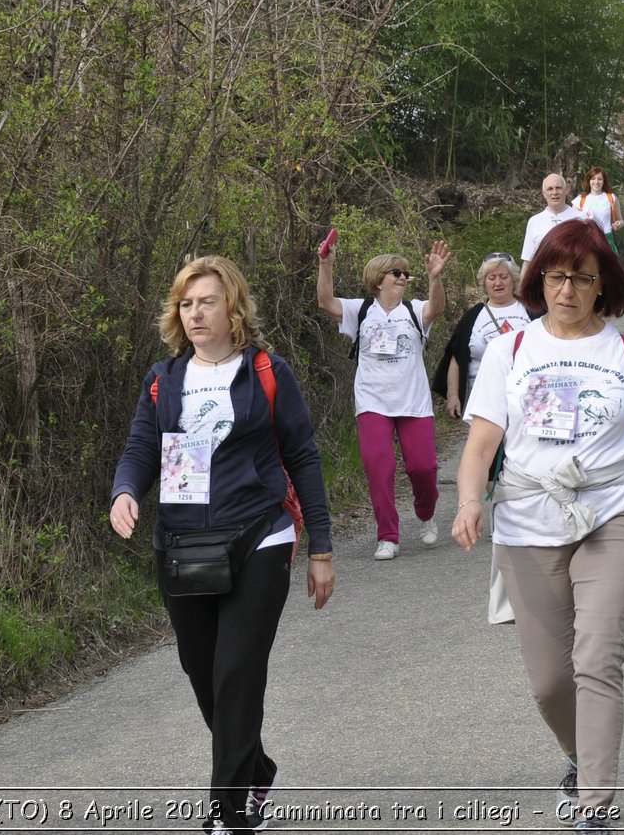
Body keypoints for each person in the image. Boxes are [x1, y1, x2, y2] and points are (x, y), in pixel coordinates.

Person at [450, 219, 624, 833]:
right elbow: (481, 447)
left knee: (597, 658)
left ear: (601, 287)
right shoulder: (513, 351)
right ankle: (577, 753)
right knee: (548, 681)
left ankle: (595, 805)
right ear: (541, 280)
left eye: (581, 279)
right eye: (556, 276)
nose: (566, 289)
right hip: (527, 516)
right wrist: (468, 501)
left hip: (615, 508)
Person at [112, 256, 335, 835]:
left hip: (259, 533)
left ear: (232, 308)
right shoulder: (164, 378)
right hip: (183, 543)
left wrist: (321, 547)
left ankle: (229, 812)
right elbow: (141, 446)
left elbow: (303, 455)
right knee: (202, 671)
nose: (195, 313)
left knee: (237, 671)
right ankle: (255, 768)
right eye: (186, 304)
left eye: (206, 301)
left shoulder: (267, 372)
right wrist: (125, 492)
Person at [317, 238, 450, 559]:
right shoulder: (360, 310)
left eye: (406, 274)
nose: (403, 278)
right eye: (396, 273)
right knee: (380, 467)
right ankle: (387, 535)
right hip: (372, 403)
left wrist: (435, 278)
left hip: (413, 402)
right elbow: (325, 302)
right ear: (378, 279)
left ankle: (426, 512)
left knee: (423, 468)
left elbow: (437, 308)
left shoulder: (413, 310)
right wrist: (326, 264)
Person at [434, 252, 536, 419]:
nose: (498, 283)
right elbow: (456, 356)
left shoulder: (532, 311)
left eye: (503, 277)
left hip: (526, 399)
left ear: (514, 280)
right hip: (482, 401)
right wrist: (453, 396)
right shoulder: (472, 317)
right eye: (491, 278)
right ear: (484, 283)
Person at [522, 173, 590, 264]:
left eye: (558, 188)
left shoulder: (581, 219)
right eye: (550, 189)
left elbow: (590, 256)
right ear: (544, 193)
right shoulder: (534, 221)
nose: (554, 192)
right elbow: (528, 260)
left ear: (566, 190)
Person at [573, 166, 624, 255]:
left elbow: (621, 221)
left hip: (606, 240)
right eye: (593, 179)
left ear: (604, 181)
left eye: (599, 179)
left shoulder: (611, 198)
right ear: (589, 181)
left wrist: (618, 224)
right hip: (586, 240)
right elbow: (573, 223)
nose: (596, 182)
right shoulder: (580, 199)